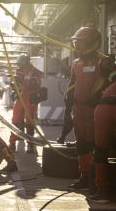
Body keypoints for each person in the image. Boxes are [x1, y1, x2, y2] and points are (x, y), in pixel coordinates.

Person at [66, 27, 113, 190]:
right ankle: (84, 177)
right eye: (76, 42)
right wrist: (67, 111)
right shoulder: (76, 63)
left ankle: (99, 182)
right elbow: (71, 86)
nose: (77, 46)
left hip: (97, 110)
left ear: (92, 43)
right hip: (79, 109)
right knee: (81, 144)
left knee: (98, 146)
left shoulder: (104, 62)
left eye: (80, 43)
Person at [87, 71, 116, 203]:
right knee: (101, 150)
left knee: (100, 150)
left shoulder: (109, 81)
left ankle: (103, 192)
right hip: (105, 109)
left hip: (103, 109)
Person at [9, 54, 42, 153]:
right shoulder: (18, 71)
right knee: (15, 120)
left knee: (29, 122)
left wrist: (25, 87)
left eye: (21, 65)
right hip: (20, 98)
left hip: (30, 99)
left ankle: (30, 145)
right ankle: (12, 142)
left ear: (26, 63)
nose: (19, 67)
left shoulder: (36, 72)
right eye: (19, 65)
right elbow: (15, 85)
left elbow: (37, 86)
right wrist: (15, 86)